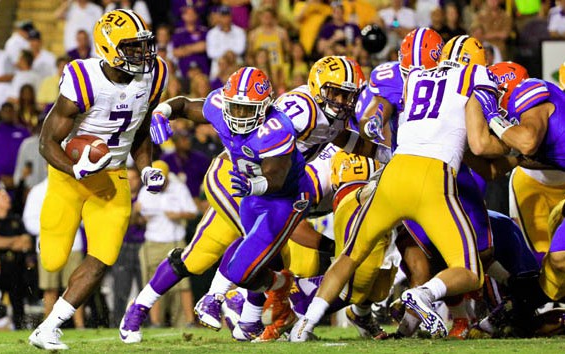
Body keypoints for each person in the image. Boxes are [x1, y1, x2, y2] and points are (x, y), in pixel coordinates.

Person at [120, 57, 366, 343]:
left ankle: (246, 320)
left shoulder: (321, 136)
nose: (340, 101)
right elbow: (187, 105)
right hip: (231, 175)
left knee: (212, 256)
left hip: (262, 186)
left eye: (345, 95)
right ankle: (211, 299)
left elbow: (335, 148)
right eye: (335, 93)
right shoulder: (298, 116)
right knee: (251, 247)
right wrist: (161, 111)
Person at [290, 35, 509, 341]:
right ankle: (422, 296)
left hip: (393, 172)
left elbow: (383, 114)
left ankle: (304, 326)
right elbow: (480, 142)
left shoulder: (416, 75)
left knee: (349, 256)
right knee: (470, 270)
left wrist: (374, 125)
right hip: (433, 177)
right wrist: (512, 144)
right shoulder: (475, 74)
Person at [28, 10, 168, 350]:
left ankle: (49, 327)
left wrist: (146, 165)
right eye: (132, 48)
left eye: (143, 46)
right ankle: (47, 242)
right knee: (53, 260)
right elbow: (46, 142)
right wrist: (76, 169)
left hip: (113, 176)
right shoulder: (83, 78)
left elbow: (140, 128)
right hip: (69, 175)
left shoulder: (155, 74)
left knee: (103, 256)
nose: (143, 54)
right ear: (107, 49)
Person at [486, 62, 565, 306]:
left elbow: (528, 142)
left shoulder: (528, 89)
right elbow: (495, 160)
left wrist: (492, 118)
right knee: (558, 258)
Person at [137, 160, 198, 327]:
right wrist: (136, 212)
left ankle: (188, 321)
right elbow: (139, 219)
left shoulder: (178, 188)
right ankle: (156, 322)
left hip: (175, 240)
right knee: (152, 282)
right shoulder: (146, 190)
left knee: (183, 284)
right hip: (152, 242)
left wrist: (178, 215)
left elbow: (193, 212)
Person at [23, 176, 85, 329]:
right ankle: (48, 326)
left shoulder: (76, 187)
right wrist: (55, 226)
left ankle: (80, 325)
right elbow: (29, 222)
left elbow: (85, 217)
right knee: (50, 288)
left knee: (76, 287)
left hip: (73, 245)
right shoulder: (38, 191)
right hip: (49, 245)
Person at [0, 189, 33, 330]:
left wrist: (2, 241)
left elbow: (27, 242)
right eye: (3, 197)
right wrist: (15, 241)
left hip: (16, 269)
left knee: (18, 302)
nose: (8, 199)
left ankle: (20, 328)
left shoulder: (16, 219)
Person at [111, 167, 145, 326]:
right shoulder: (118, 198)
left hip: (143, 246)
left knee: (144, 286)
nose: (131, 182)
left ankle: (145, 322)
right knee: (120, 289)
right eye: (128, 178)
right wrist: (135, 216)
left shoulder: (147, 196)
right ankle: (116, 321)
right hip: (123, 246)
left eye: (134, 178)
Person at [0, 102, 30, 193]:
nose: (8, 114)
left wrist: (17, 176)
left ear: (14, 113)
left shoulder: (23, 132)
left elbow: (29, 155)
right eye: (5, 111)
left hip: (20, 179)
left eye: (10, 111)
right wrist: (0, 175)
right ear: (0, 113)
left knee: (20, 206)